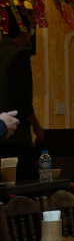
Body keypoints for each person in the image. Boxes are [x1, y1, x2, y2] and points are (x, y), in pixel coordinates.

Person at [0, 19, 43, 180]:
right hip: (14, 137)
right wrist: (37, 126)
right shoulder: (19, 54)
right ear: (24, 32)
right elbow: (20, 98)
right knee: (27, 191)